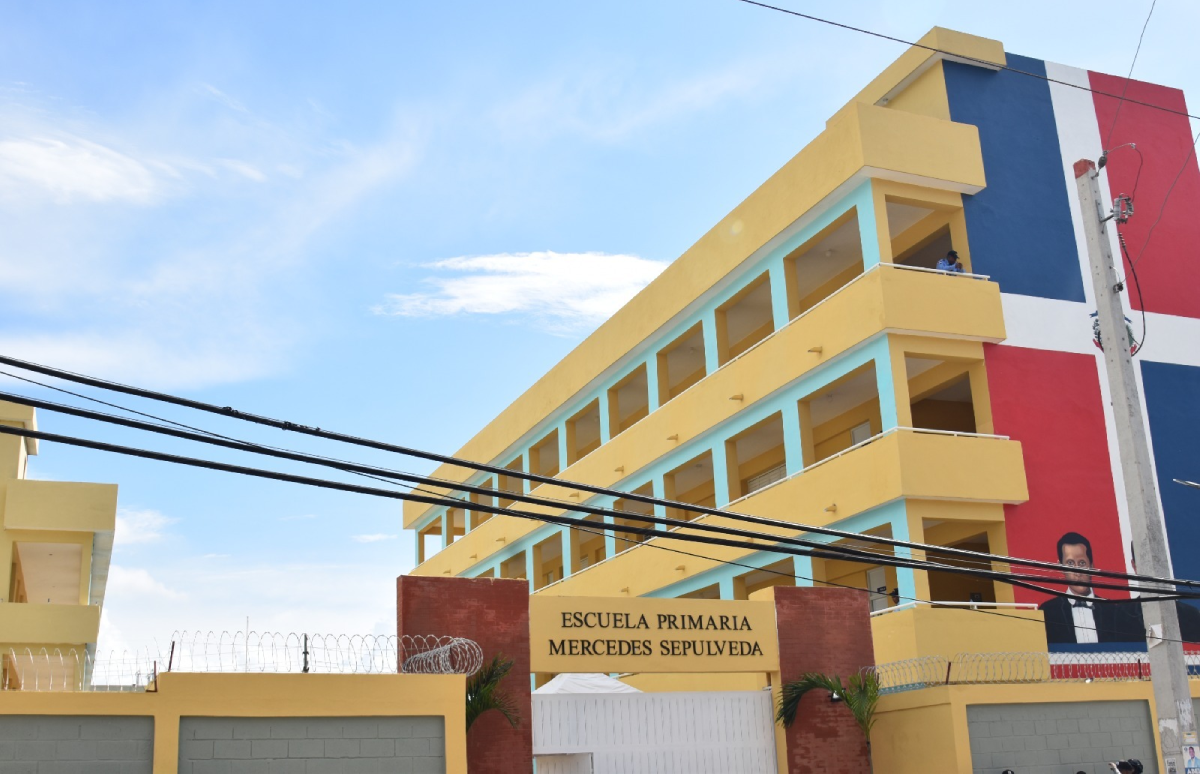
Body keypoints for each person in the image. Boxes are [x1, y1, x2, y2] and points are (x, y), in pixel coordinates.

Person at [1039, 531, 1123, 644]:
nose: (1077, 572)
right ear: (1061, 567)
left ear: (1092, 567)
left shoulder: (1113, 612)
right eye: (1070, 563)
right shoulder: (1047, 612)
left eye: (1082, 563)